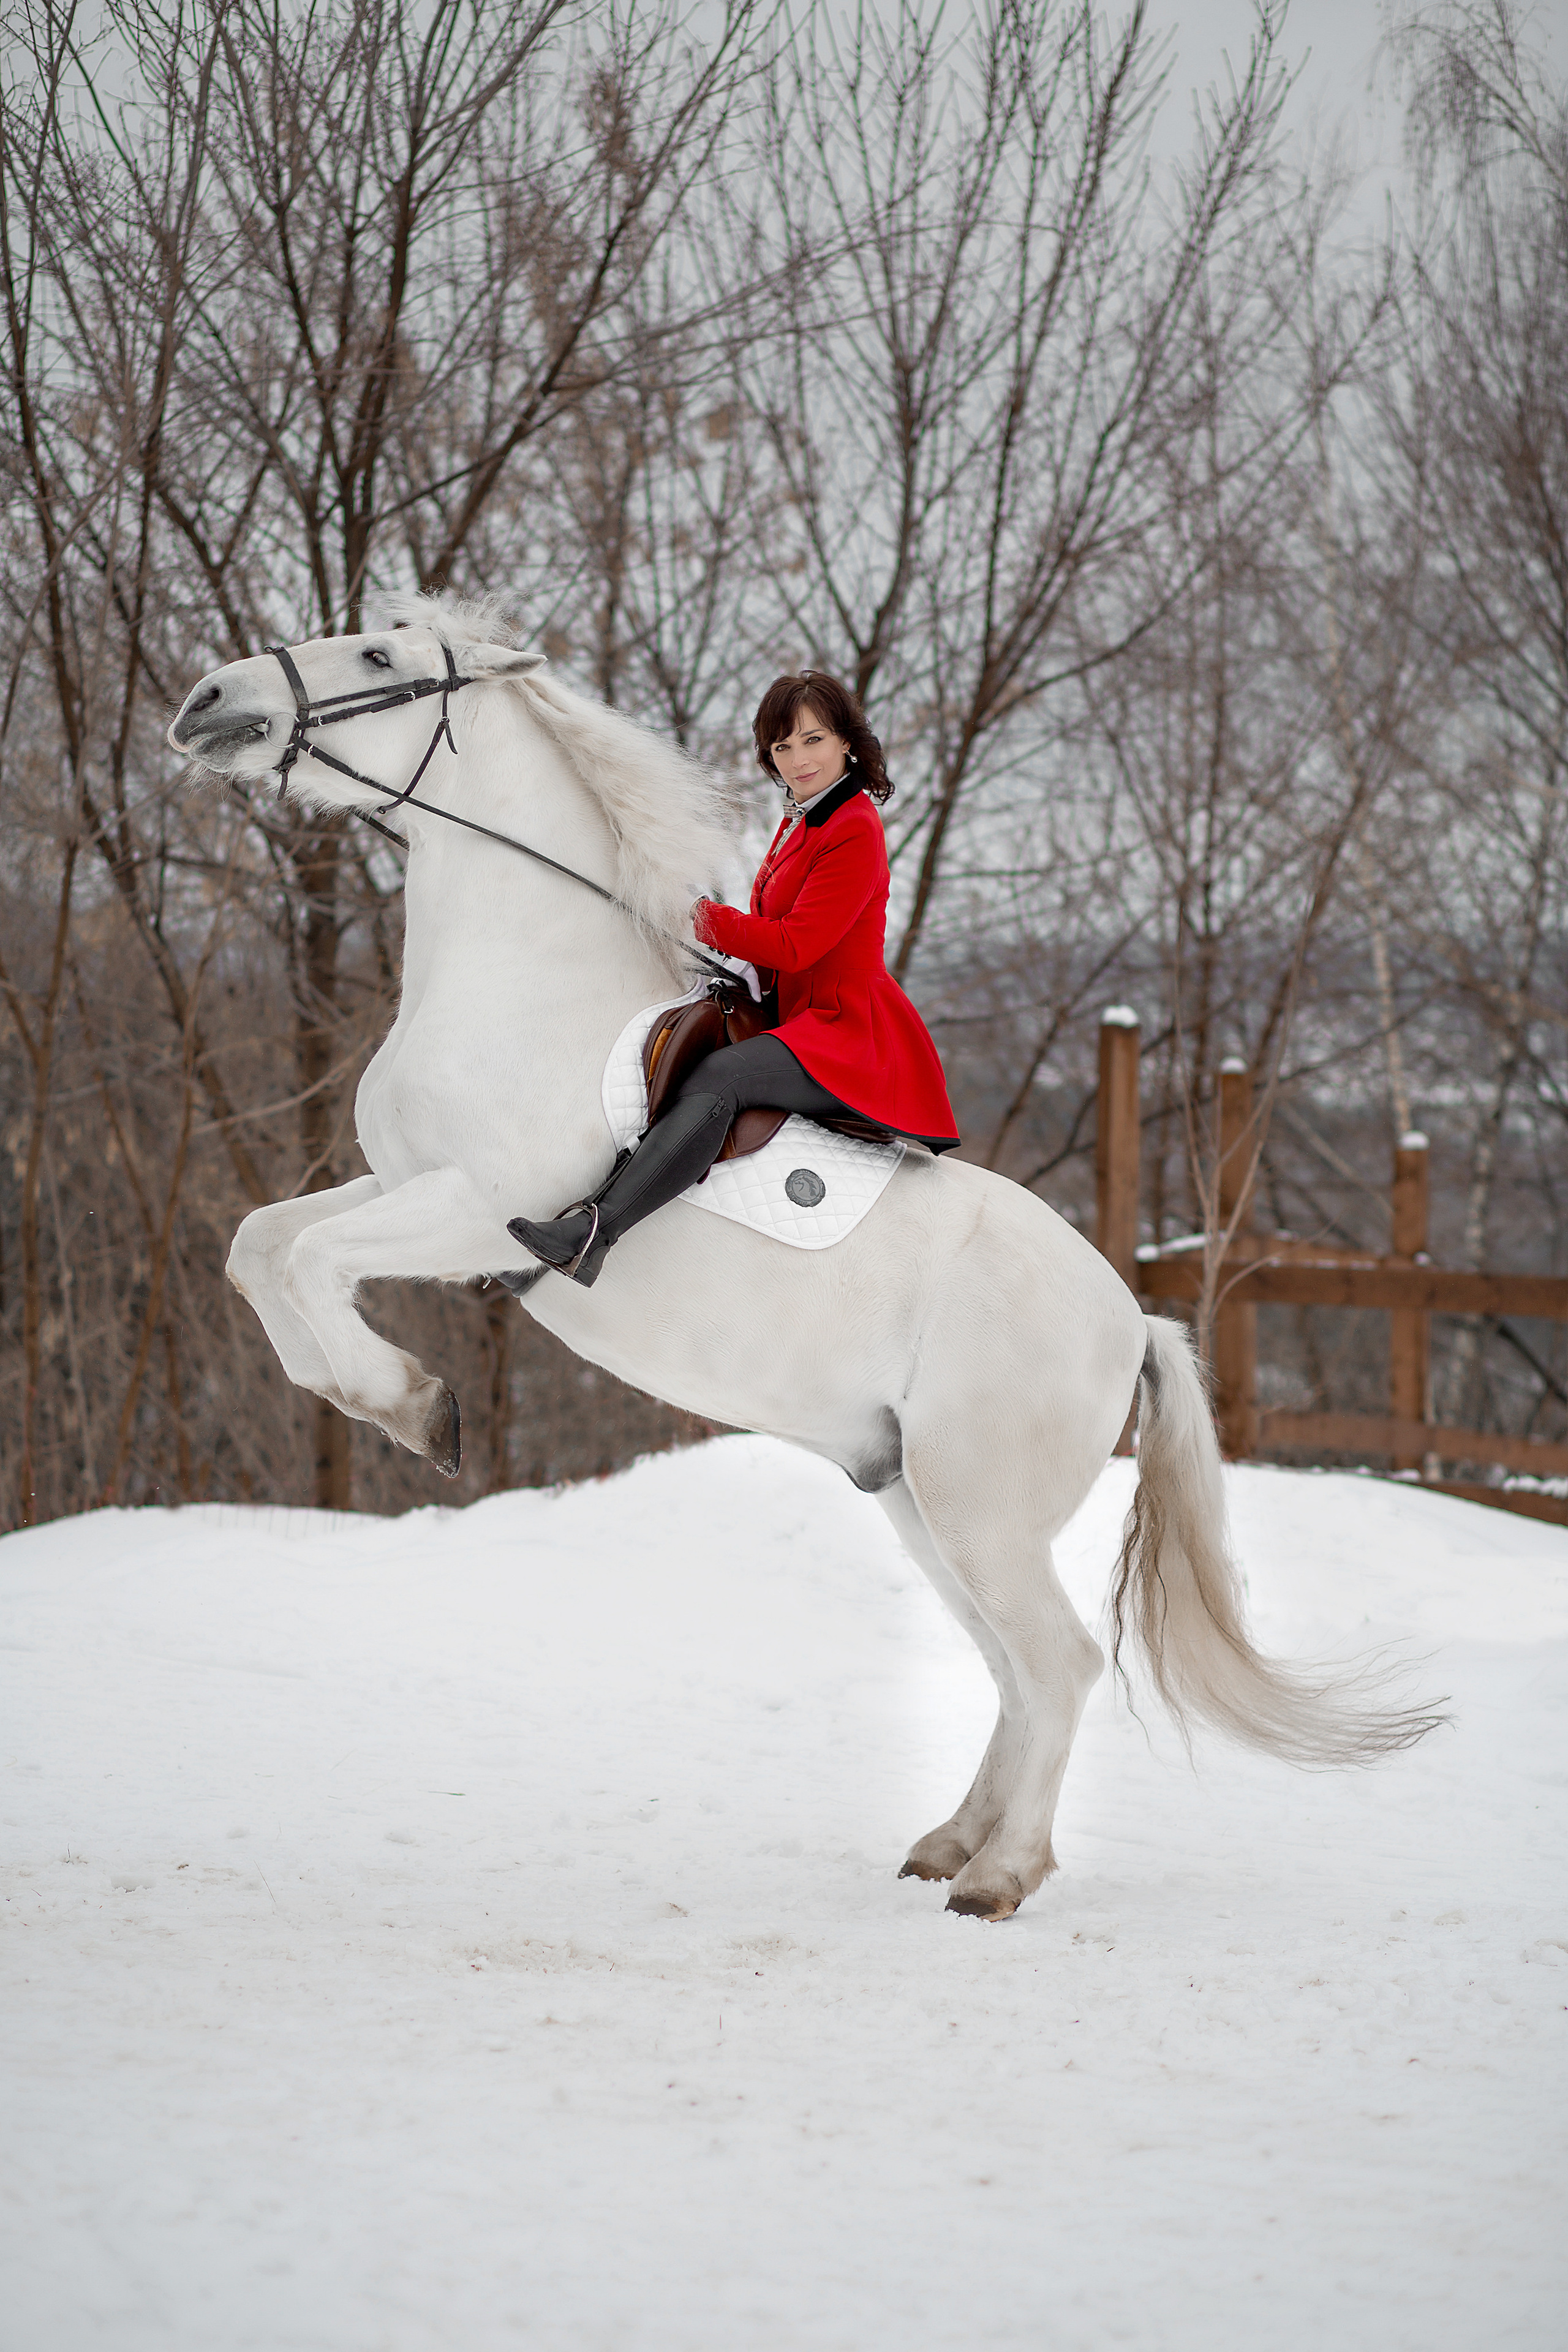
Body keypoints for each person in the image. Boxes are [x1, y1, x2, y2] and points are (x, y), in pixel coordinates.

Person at [507, 671, 960, 1286]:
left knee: (723, 1077)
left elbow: (797, 944)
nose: (797, 760)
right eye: (781, 748)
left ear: (848, 742)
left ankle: (594, 1235)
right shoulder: (803, 819)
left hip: (843, 1032)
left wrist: (693, 915)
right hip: (792, 1014)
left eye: (812, 740)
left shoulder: (853, 826)